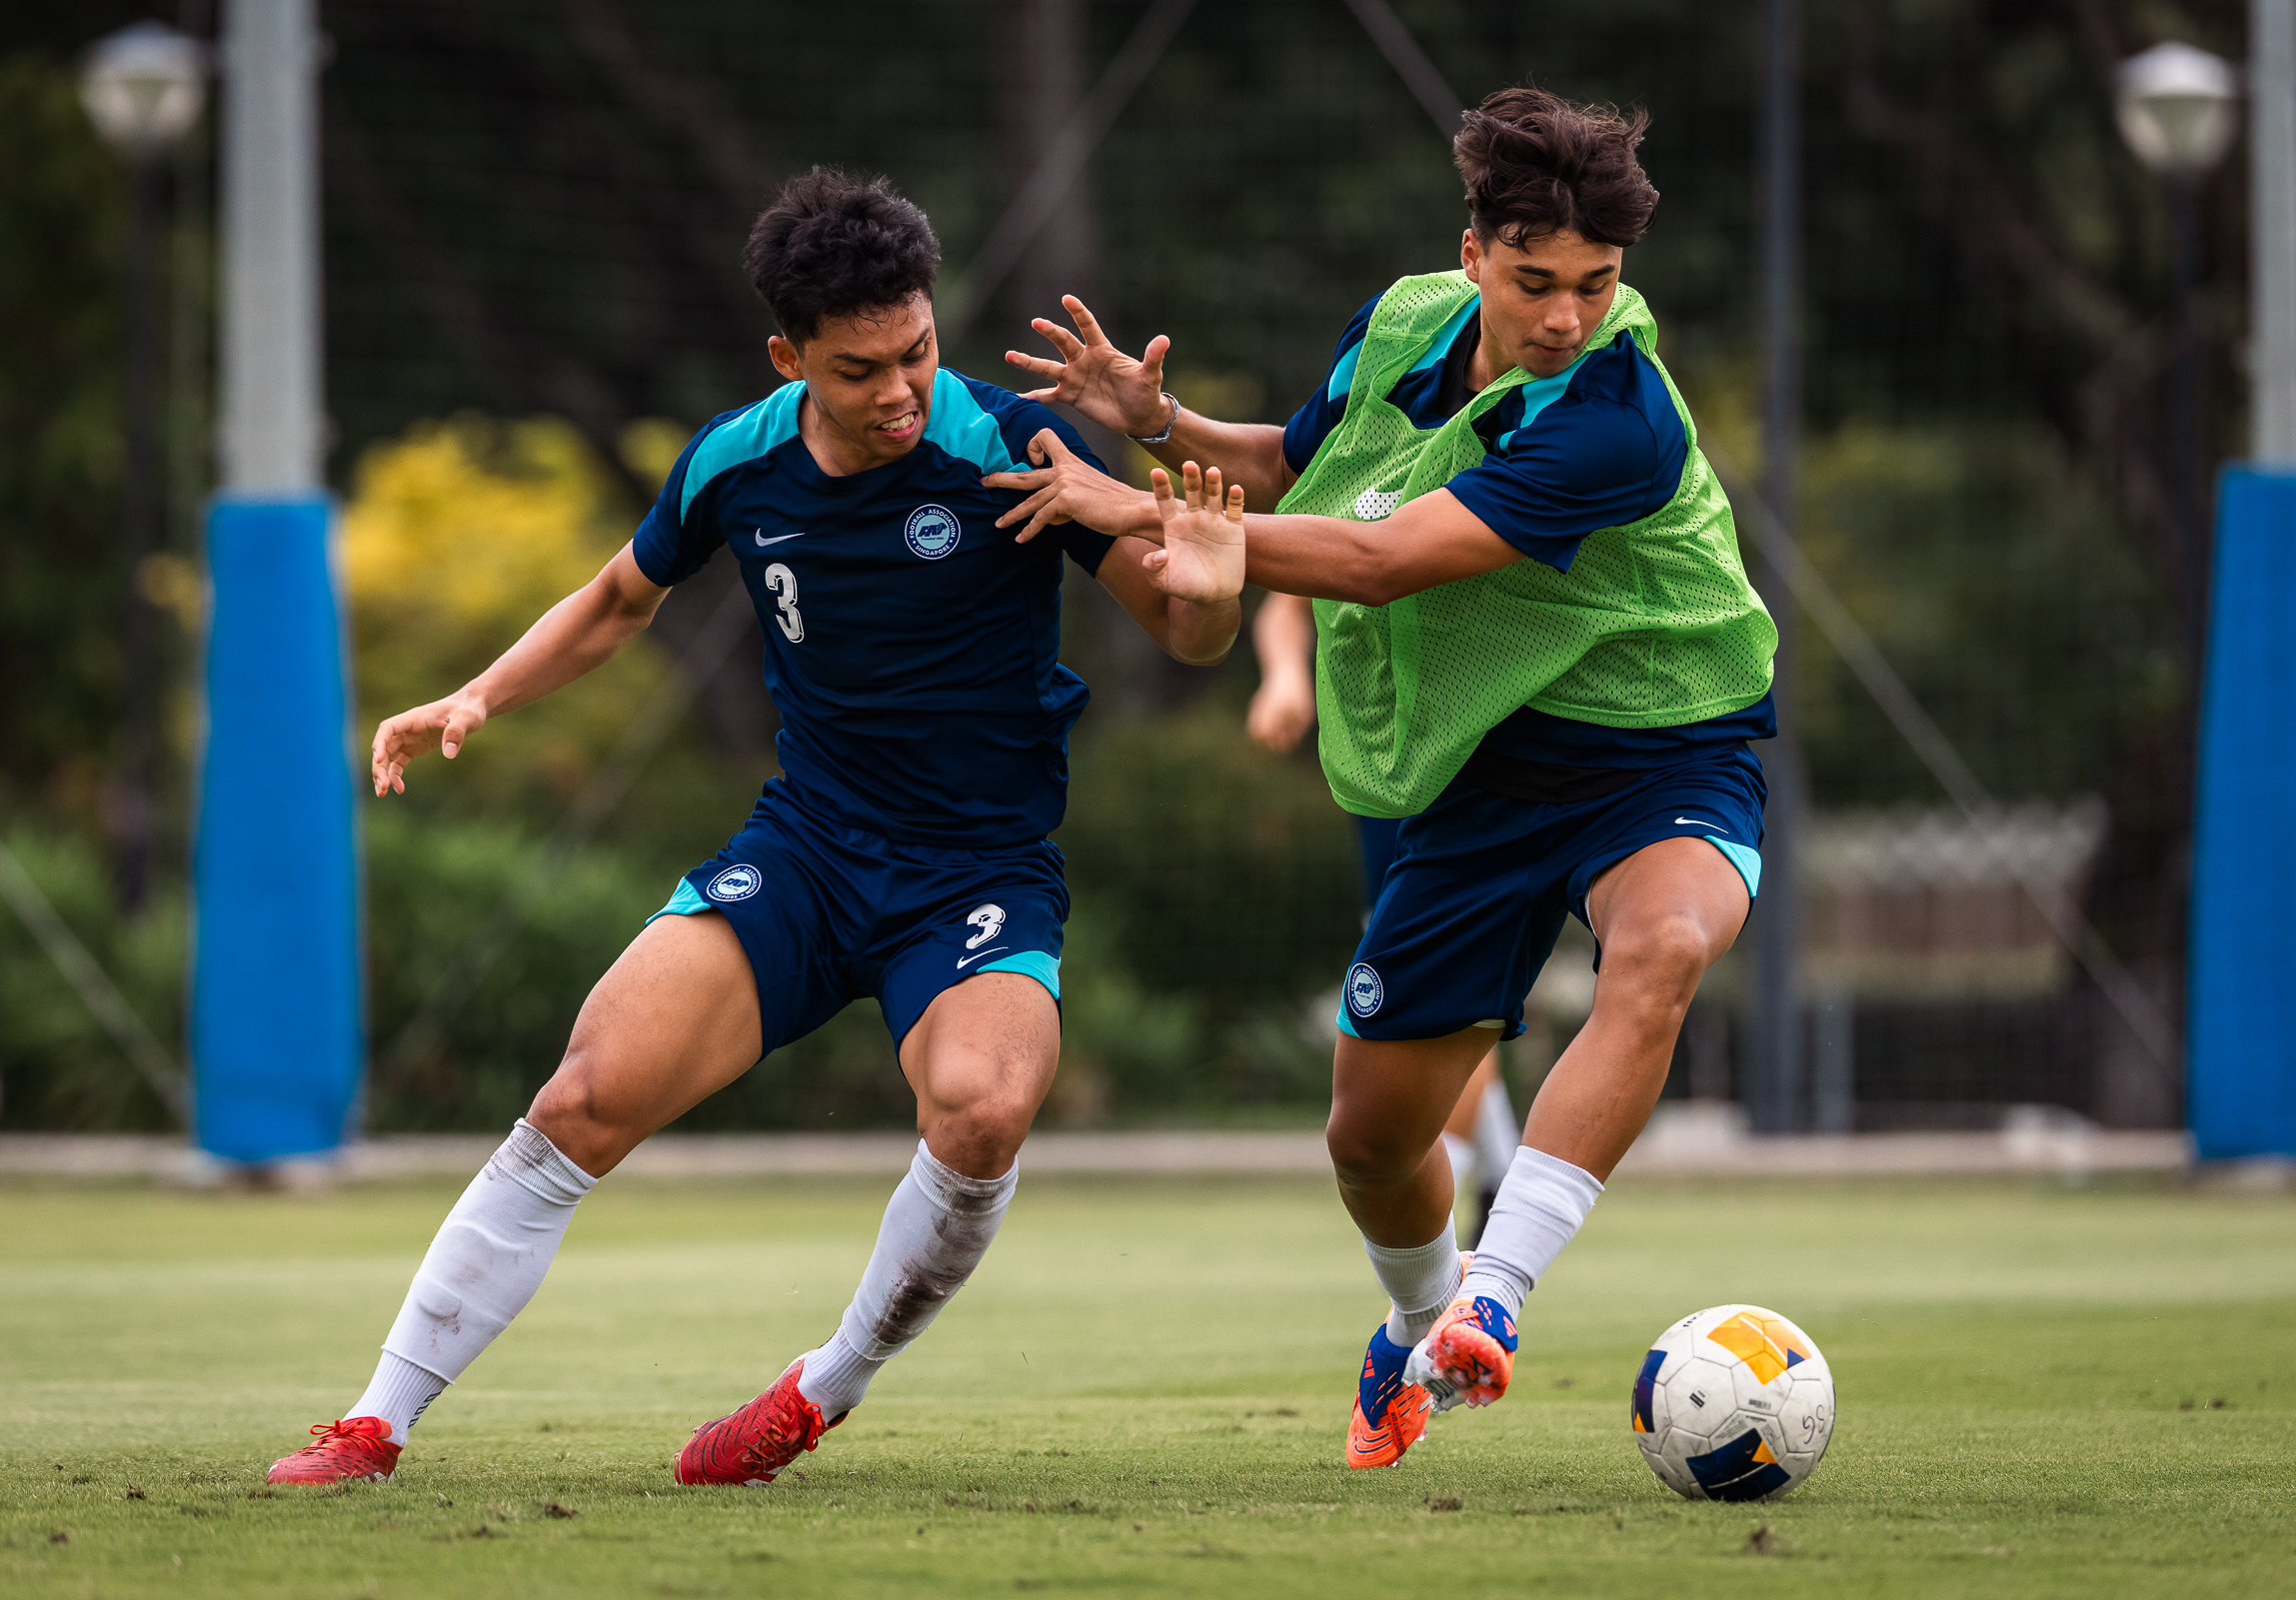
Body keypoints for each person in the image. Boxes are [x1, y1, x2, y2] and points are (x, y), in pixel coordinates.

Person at [263, 169, 1239, 1489]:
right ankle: (374, 1421)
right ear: (789, 358)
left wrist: (1216, 582)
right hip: (809, 854)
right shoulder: (736, 459)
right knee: (583, 1097)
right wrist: (480, 690)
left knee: (983, 1110)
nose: (900, 390)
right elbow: (619, 600)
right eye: (858, 369)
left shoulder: (1016, 444)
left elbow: (1186, 628)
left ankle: (820, 1387)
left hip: (977, 874)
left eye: (917, 351)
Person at [994, 87, 1778, 1471]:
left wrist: (1134, 506)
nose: (1565, 316)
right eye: (1536, 282)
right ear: (1472, 253)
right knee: (1369, 1139)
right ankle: (1420, 1325)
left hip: (1665, 739)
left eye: (1596, 285)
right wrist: (1160, 425)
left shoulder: (1620, 416)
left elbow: (1382, 557)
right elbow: (1294, 475)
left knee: (1657, 950)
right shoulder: (1407, 320)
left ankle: (1494, 1296)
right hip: (1483, 765)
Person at [1246, 590, 1518, 1248]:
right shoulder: (1343, 482)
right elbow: (1285, 597)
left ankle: (1448, 1199)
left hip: (1492, 762)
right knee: (1443, 987)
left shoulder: (1490, 485)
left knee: (1452, 988)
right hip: (1386, 776)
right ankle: (1499, 1173)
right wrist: (1285, 675)